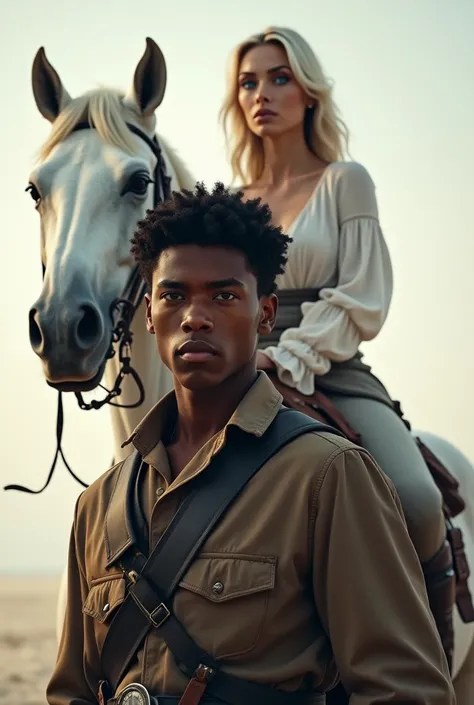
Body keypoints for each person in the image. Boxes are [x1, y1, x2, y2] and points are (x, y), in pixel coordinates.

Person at [46, 182, 454, 705]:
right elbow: (72, 693)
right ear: (148, 315)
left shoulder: (328, 476)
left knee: (420, 500)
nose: (195, 315)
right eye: (173, 295)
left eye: (224, 295)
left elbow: (404, 691)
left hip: (333, 369)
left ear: (265, 314)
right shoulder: (98, 504)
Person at [219, 26, 455, 668]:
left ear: (310, 94)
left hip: (332, 365)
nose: (262, 93)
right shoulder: (235, 203)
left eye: (279, 77)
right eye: (248, 82)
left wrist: (286, 354)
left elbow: (362, 295)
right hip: (245, 367)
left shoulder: (345, 180)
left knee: (417, 499)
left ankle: (425, 656)